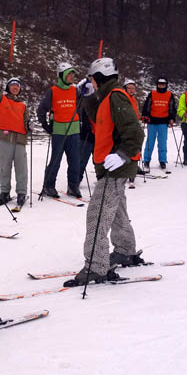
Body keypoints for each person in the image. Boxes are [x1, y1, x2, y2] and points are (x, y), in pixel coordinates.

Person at [65, 57, 146, 286]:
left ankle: (96, 265)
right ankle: (125, 250)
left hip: (115, 168)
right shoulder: (107, 98)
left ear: (100, 76)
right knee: (117, 210)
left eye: (92, 78)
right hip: (110, 166)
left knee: (97, 214)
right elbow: (98, 120)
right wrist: (89, 96)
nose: (91, 81)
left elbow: (135, 132)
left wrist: (122, 154)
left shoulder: (116, 97)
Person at [0, 63, 30, 207]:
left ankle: (21, 193)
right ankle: (4, 192)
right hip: (5, 138)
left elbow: (26, 121)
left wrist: (29, 125)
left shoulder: (23, 105)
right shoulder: (1, 100)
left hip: (20, 139)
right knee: (5, 166)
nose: (15, 87)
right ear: (8, 88)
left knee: (21, 168)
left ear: (20, 89)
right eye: (12, 85)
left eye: (17, 85)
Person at [37, 62, 82, 198]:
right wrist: (45, 124)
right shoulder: (53, 91)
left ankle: (73, 186)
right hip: (59, 131)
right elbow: (41, 109)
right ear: (61, 75)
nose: (72, 77)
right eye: (69, 74)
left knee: (75, 160)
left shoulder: (75, 90)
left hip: (74, 131)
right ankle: (49, 186)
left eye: (72, 74)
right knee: (56, 160)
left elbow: (81, 106)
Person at [142, 77, 176, 172]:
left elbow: (172, 107)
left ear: (166, 85)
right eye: (160, 84)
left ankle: (162, 160)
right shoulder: (152, 94)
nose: (161, 86)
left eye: (163, 84)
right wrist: (145, 115)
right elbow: (146, 105)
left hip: (163, 122)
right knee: (150, 142)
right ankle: (146, 160)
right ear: (157, 85)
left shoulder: (169, 94)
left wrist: (172, 118)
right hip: (152, 122)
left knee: (162, 142)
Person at [123, 79, 142, 189]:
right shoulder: (121, 99)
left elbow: (136, 114)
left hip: (134, 128)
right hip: (124, 128)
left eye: (133, 88)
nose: (131, 90)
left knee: (135, 151)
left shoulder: (134, 100)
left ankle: (132, 176)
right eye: (129, 88)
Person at [77, 77, 96, 188]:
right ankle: (76, 181)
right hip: (85, 134)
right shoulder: (81, 98)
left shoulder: (98, 96)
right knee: (82, 159)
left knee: (99, 160)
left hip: (98, 134)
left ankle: (102, 179)